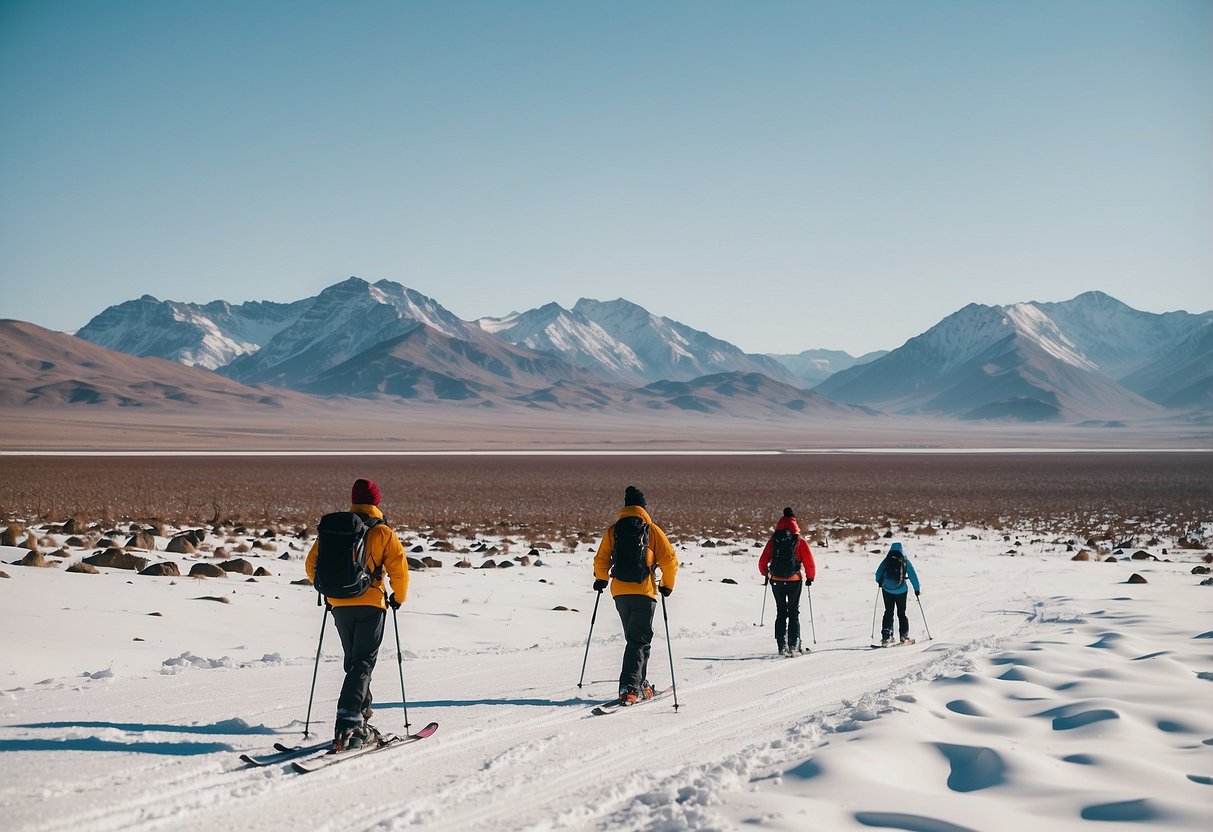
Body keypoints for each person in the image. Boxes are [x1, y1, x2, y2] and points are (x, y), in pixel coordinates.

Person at [305, 478, 408, 751]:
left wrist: (330, 590)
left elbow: (311, 564)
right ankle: (349, 720)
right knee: (363, 663)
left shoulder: (336, 530)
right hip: (371, 604)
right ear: (376, 500)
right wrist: (398, 597)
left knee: (354, 662)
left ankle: (362, 719)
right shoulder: (383, 532)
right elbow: (399, 569)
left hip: (339, 605)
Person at [593, 485, 679, 705]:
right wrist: (667, 585)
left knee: (639, 640)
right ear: (643, 507)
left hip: (620, 593)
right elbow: (670, 560)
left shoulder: (614, 530)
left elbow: (601, 558)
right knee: (638, 640)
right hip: (644, 592)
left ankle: (640, 684)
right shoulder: (651, 529)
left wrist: (601, 578)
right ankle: (629, 688)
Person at [757, 507, 817, 656]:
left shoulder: (774, 540)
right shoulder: (799, 541)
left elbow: (762, 561)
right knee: (794, 612)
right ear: (794, 521)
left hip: (776, 580)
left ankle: (781, 645)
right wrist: (810, 577)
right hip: (794, 581)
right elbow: (809, 561)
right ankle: (793, 645)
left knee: (781, 612)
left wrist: (767, 574)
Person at [874, 541, 920, 646]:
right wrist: (917, 589)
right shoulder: (905, 561)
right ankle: (904, 637)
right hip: (901, 591)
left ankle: (887, 636)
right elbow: (913, 576)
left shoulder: (886, 560)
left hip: (887, 590)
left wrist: (880, 582)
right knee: (901, 613)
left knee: (888, 612)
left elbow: (877, 574)